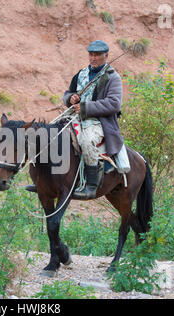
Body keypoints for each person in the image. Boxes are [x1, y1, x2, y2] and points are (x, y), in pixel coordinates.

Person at [63, 40, 124, 199]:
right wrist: (71, 98)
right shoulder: (81, 73)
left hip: (98, 121)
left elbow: (114, 104)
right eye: (91, 54)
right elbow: (67, 93)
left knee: (87, 140)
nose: (93, 58)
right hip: (73, 117)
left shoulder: (112, 77)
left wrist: (85, 107)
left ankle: (91, 185)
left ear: (106, 56)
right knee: (50, 133)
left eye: (97, 55)